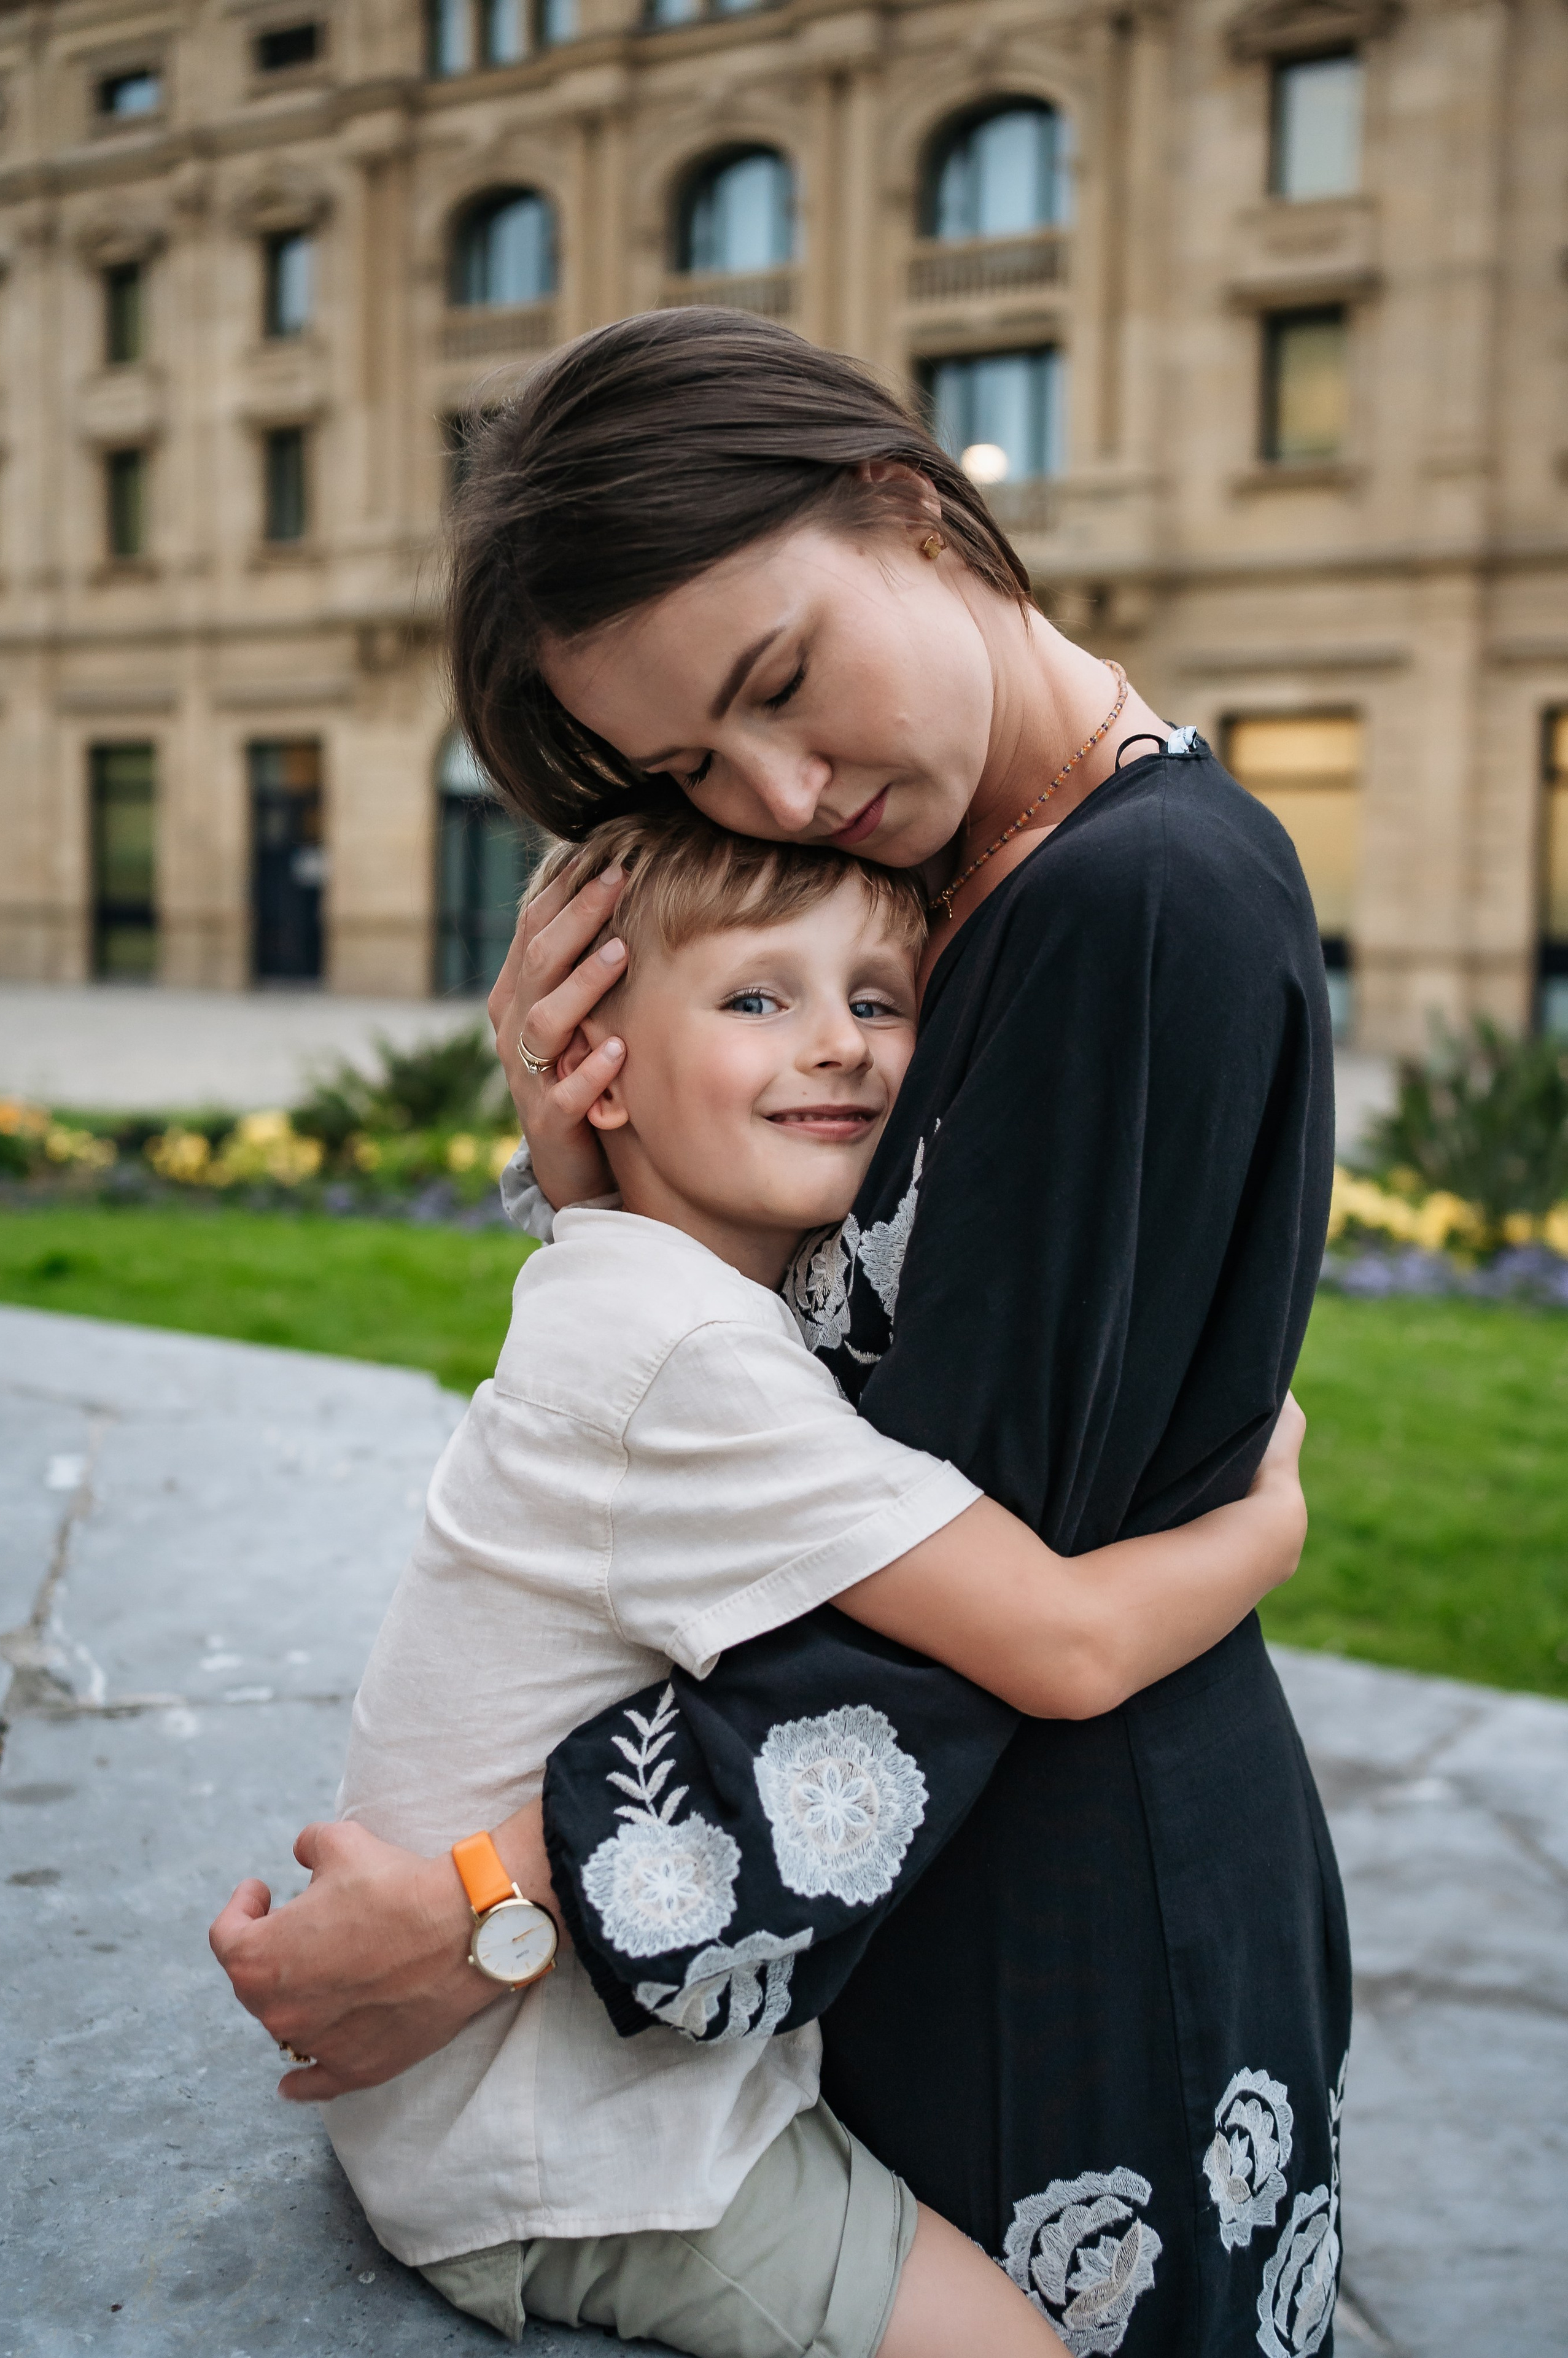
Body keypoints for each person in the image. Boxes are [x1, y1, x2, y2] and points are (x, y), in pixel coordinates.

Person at [212, 310, 1348, 2358]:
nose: (787, 792)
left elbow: (964, 1603)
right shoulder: (946, 900)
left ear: (911, 509)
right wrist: (607, 1186)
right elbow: (825, 1418)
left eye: (781, 685)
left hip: (1063, 1948)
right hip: (886, 1952)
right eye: (688, 772)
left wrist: (497, 1913)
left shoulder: (1137, 906)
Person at [291, 807, 1305, 2358]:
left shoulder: (628, 1283)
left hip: (517, 2080)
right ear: (598, 1063)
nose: (835, 1043)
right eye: (757, 998)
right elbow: (1066, 1645)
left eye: (878, 999)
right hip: (589, 2160)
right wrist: (1268, 1520)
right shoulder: (688, 1361)